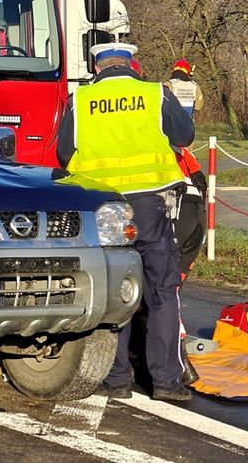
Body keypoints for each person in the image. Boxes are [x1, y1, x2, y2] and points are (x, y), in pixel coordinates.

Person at [56, 41, 196, 402]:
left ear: (97, 68)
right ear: (133, 65)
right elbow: (185, 136)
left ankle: (117, 379)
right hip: (150, 204)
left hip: (103, 208)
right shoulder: (155, 94)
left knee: (114, 290)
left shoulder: (80, 100)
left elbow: (65, 153)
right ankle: (166, 381)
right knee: (162, 290)